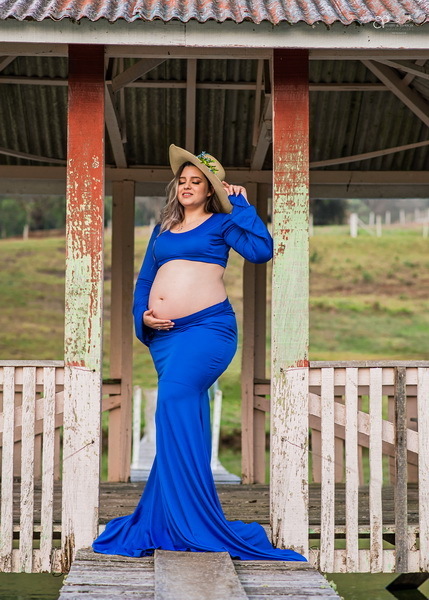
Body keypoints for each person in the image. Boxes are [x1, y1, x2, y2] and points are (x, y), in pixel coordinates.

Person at [92, 145, 306, 561]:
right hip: (166, 338)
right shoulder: (164, 228)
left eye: (197, 182)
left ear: (211, 191)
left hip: (208, 330)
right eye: (183, 181)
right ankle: (169, 517)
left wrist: (241, 205)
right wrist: (142, 315)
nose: (188, 187)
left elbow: (261, 250)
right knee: (180, 416)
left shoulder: (223, 222)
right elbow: (145, 279)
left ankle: (193, 521)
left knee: (172, 401)